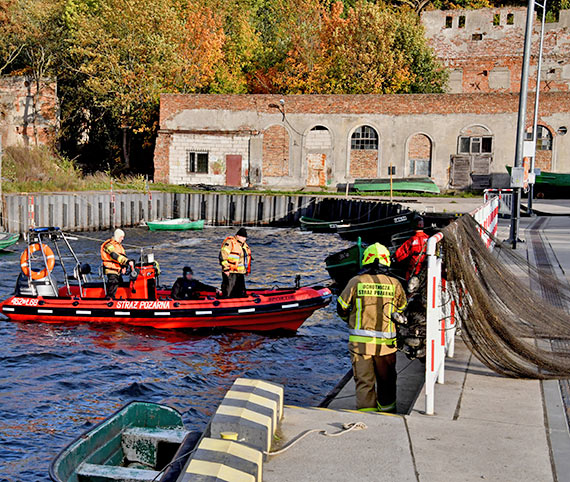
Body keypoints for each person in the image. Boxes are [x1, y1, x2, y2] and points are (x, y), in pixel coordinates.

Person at [337, 243, 407, 413]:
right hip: (387, 345)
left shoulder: (356, 281)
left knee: (364, 382)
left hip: (360, 345)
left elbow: (341, 307)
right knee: (387, 381)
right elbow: (402, 309)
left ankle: (367, 417)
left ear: (366, 260)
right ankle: (388, 412)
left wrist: (350, 321)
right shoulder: (395, 283)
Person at [100, 228, 135, 299]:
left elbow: (122, 257)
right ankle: (109, 300)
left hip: (117, 270)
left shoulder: (119, 246)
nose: (122, 239)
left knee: (121, 284)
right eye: (121, 237)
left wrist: (124, 266)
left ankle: (121, 298)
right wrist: (127, 261)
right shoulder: (108, 245)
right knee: (113, 283)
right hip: (111, 270)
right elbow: (114, 255)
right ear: (118, 236)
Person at [219, 227, 251, 298]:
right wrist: (226, 269)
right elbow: (223, 256)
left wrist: (246, 270)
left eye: (245, 237)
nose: (244, 239)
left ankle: (240, 300)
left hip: (240, 272)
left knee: (240, 291)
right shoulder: (230, 243)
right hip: (230, 271)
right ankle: (226, 301)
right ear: (237, 236)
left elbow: (245, 259)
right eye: (242, 237)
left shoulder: (244, 246)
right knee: (229, 290)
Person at [394, 217, 429, 281]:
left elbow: (399, 254)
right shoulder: (429, 239)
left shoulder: (412, 240)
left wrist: (393, 258)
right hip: (427, 270)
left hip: (414, 271)